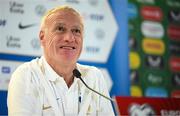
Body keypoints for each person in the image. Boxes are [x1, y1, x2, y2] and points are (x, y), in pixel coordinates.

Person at [7, 5, 115, 116]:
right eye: (60, 29)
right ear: (42, 37)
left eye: (76, 31)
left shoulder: (94, 77)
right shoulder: (27, 75)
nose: (69, 37)